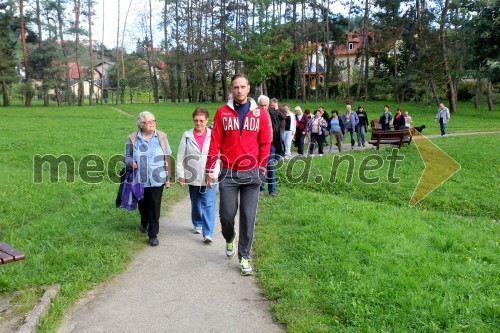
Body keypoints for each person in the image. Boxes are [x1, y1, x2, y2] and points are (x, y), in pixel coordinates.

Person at [205, 73, 271, 276]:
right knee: (226, 215)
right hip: (229, 173)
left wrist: (262, 167)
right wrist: (209, 169)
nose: (239, 90)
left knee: (248, 216)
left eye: (243, 87)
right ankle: (229, 237)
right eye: (235, 87)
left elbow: (266, 142)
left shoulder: (260, 113)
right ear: (231, 89)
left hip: (251, 174)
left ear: (249, 88)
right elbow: (215, 142)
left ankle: (244, 257)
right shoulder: (222, 113)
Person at [124, 111, 172, 246]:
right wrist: (130, 163)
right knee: (143, 205)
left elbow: (167, 156)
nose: (152, 123)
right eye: (148, 122)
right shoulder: (132, 138)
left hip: (157, 178)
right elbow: (126, 156)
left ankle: (153, 234)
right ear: (141, 125)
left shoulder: (161, 137)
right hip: (140, 179)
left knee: (155, 206)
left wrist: (168, 177)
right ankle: (144, 222)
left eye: (153, 121)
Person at [176, 107, 219, 244]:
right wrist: (181, 175)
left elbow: (219, 157)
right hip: (193, 175)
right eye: (196, 120)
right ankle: (197, 223)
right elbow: (180, 156)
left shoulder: (213, 135)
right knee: (196, 202)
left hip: (210, 175)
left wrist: (213, 174)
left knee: (208, 204)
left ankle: (208, 233)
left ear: (207, 120)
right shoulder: (187, 135)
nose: (198, 123)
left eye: (201, 120)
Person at [258, 95, 280, 197]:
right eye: (261, 105)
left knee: (271, 166)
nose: (263, 107)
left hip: (271, 144)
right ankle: (261, 188)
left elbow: (277, 128)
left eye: (265, 105)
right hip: (259, 145)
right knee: (261, 166)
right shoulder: (254, 115)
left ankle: (272, 190)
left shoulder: (273, 114)